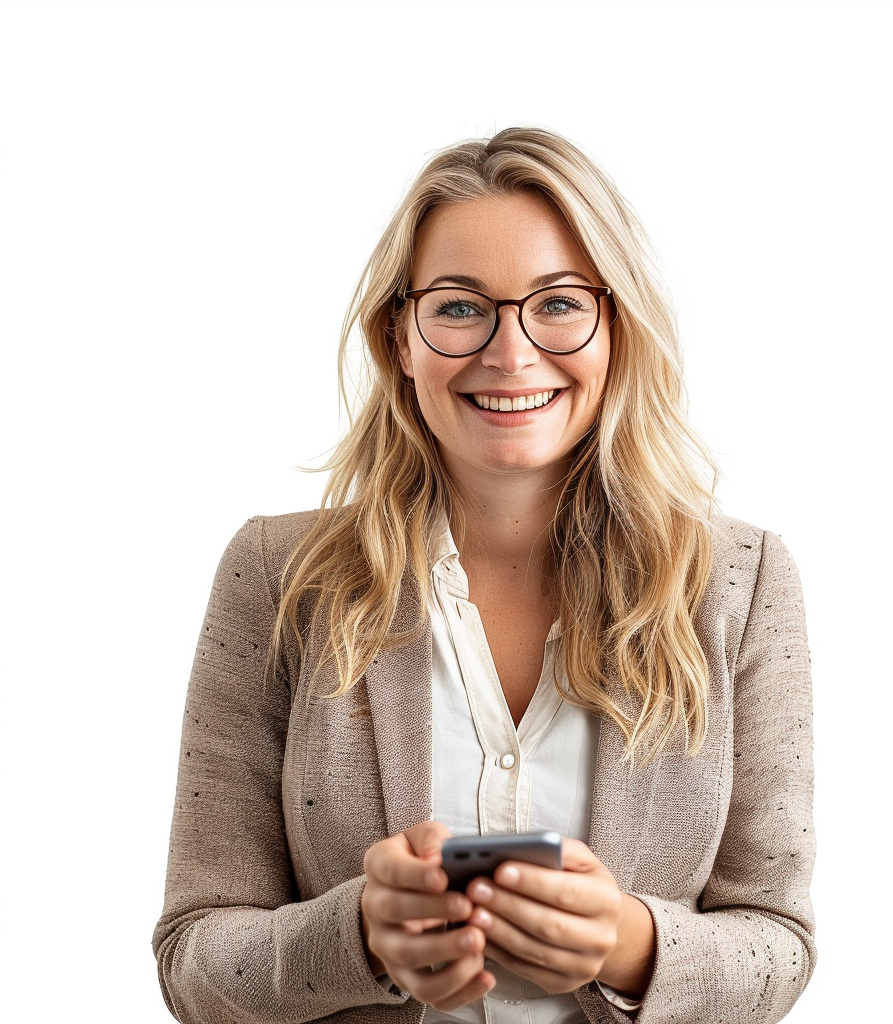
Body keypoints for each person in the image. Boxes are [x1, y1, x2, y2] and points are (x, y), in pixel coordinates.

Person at [153, 127, 815, 1024]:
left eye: (558, 304)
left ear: (615, 325)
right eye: (461, 307)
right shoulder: (279, 576)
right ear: (402, 335)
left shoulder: (738, 583)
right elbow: (195, 960)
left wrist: (628, 942)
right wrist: (359, 938)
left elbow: (778, 942)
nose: (510, 353)